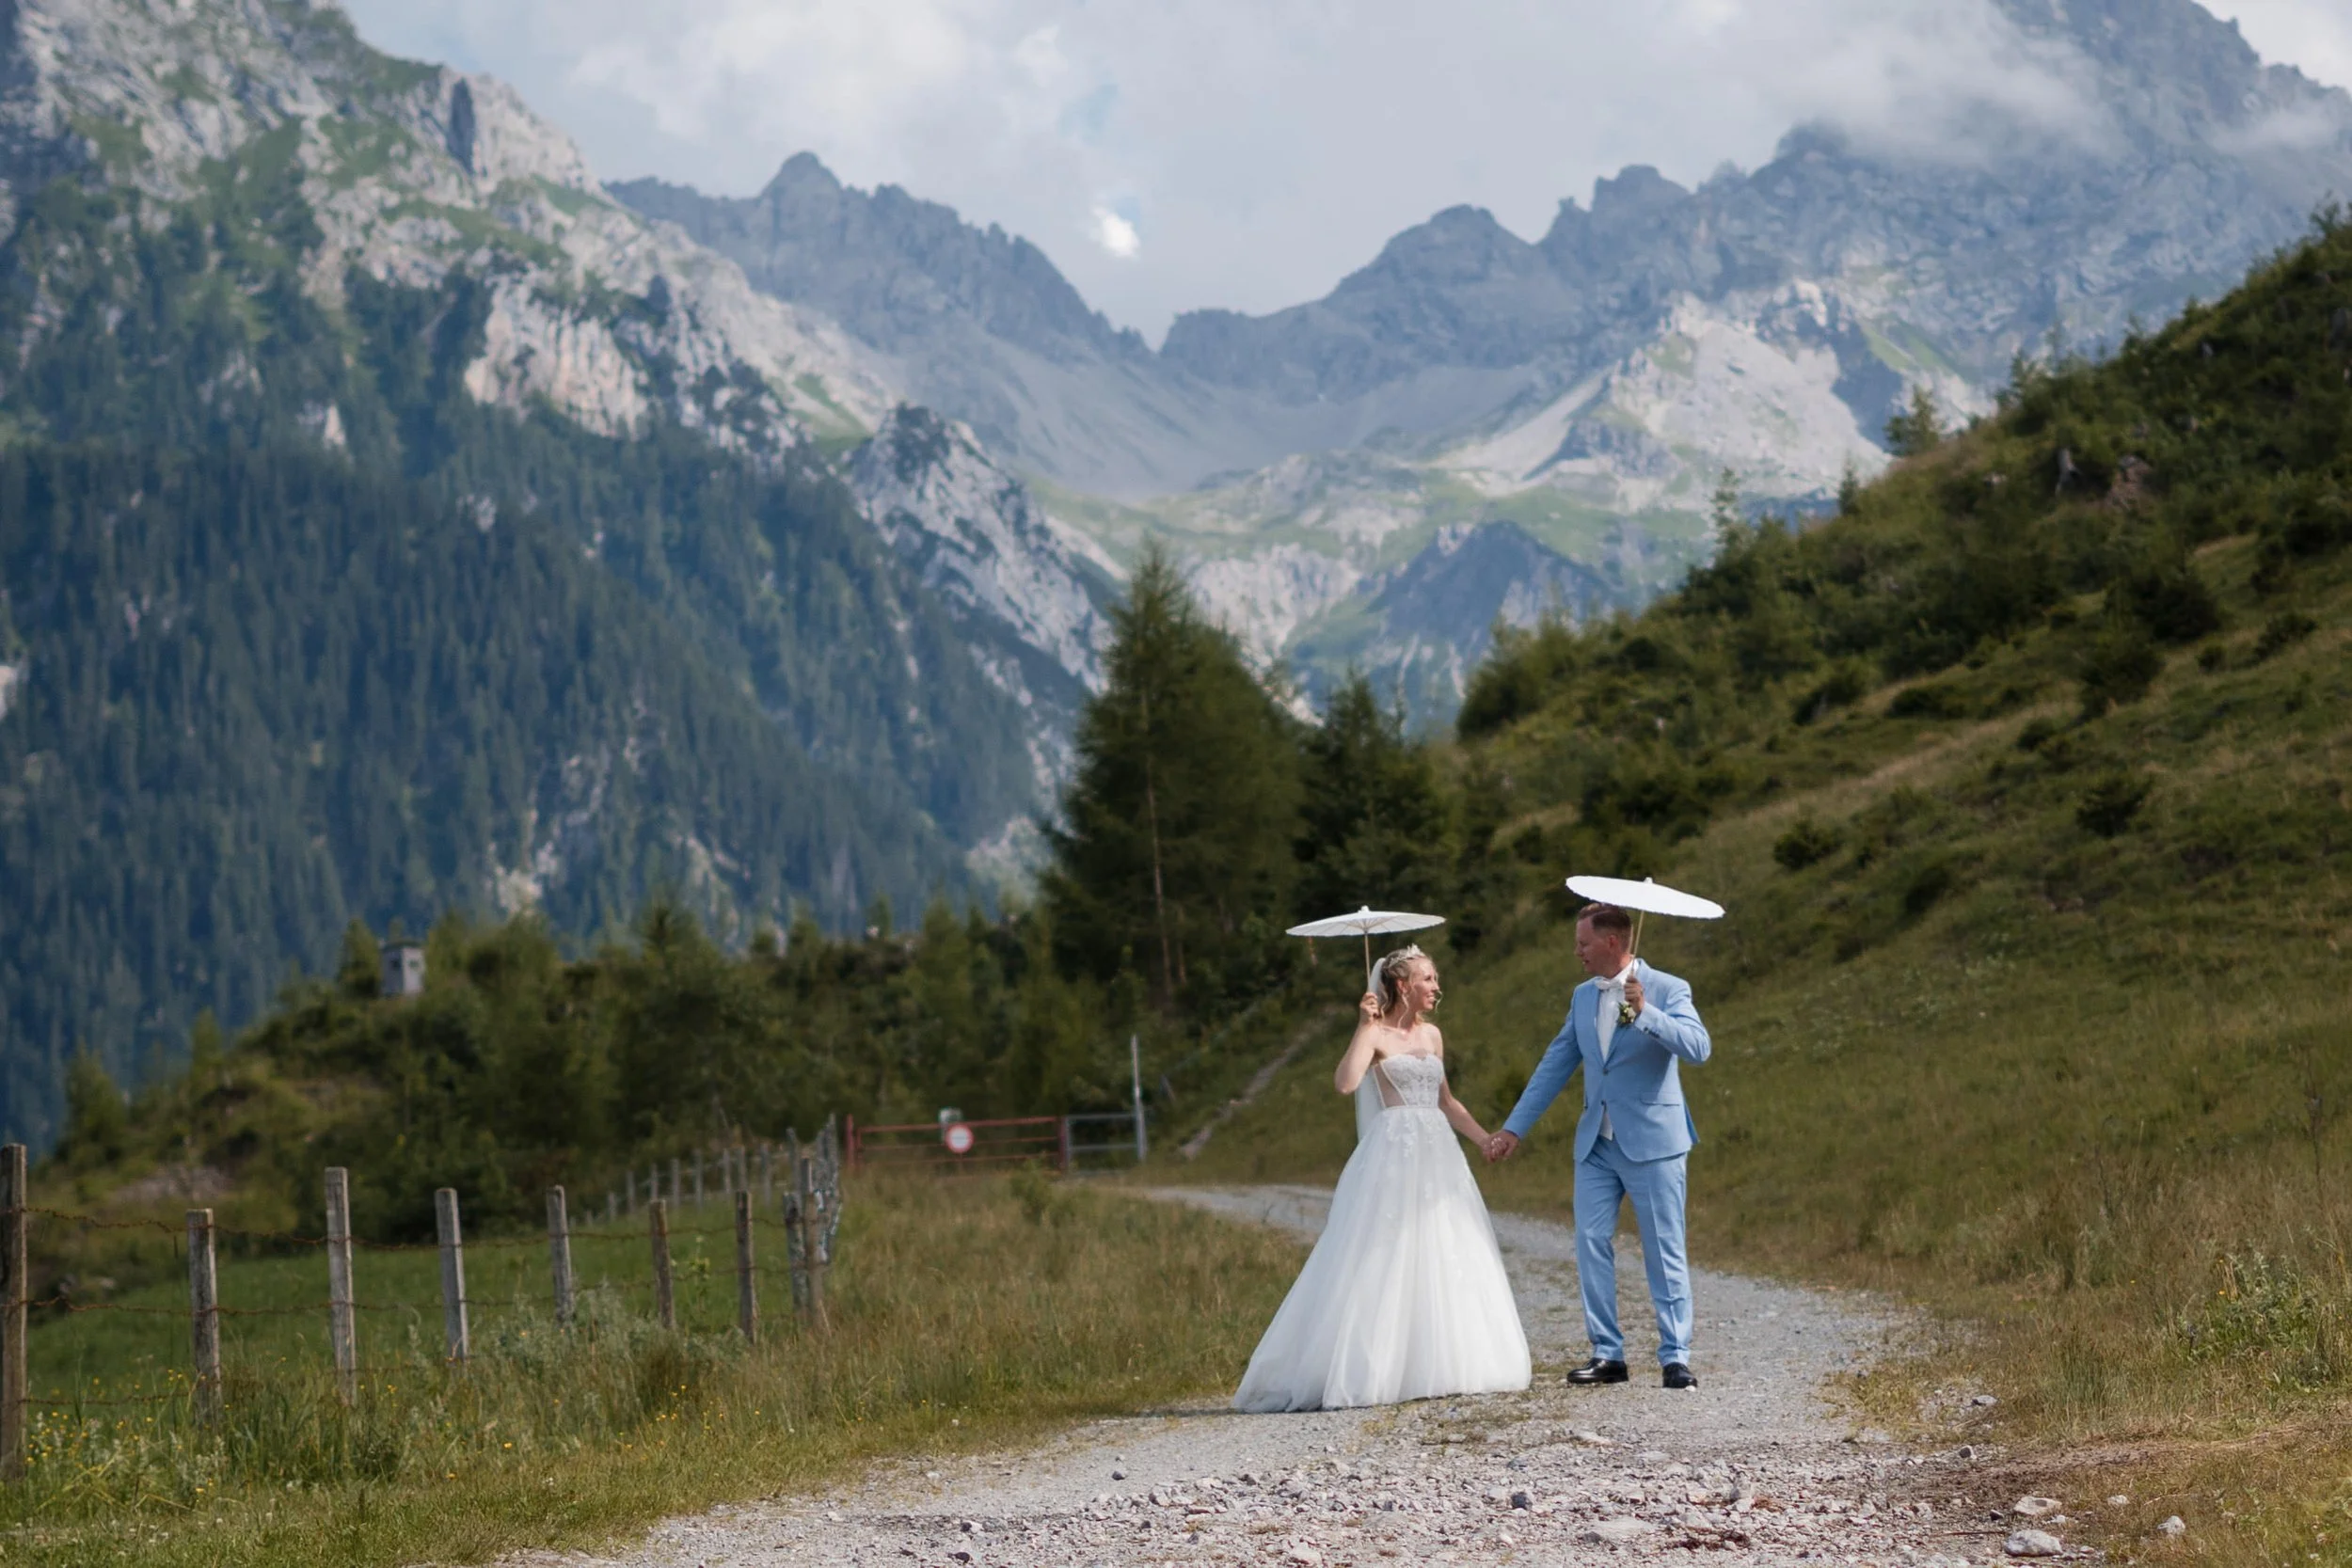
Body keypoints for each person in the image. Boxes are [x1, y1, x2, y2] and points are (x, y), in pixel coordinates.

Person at [1233, 944, 1531, 1412]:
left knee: (1445, 1240)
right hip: (1394, 1146)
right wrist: (1363, 1027)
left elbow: (1446, 1101)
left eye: (1434, 978)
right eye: (1428, 979)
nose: (1436, 987)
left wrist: (1483, 1139)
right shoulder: (1374, 1035)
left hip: (1437, 1151)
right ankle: (1373, 1364)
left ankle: (1448, 1360)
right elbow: (1345, 1084)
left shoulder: (1432, 1036)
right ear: (1401, 985)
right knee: (1383, 1247)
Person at [1485, 903, 1711, 1390]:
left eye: (1583, 944)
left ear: (1612, 942)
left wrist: (1647, 1012)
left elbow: (1698, 1047)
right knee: (1589, 1242)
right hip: (1596, 1143)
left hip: (1654, 1142)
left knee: (1663, 1249)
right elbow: (1555, 1064)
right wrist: (1513, 1129)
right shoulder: (1582, 997)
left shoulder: (1670, 988)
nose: (1577, 953)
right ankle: (1608, 1354)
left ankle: (1675, 1356)